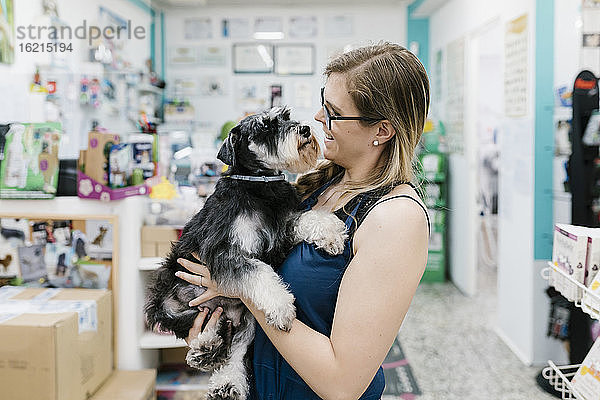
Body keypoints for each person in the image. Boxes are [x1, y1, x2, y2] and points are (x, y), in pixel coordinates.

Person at [175, 42, 431, 400]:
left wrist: (243, 291)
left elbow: (343, 385)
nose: (317, 118)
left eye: (334, 113)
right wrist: (211, 322)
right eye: (322, 102)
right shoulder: (319, 184)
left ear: (383, 131)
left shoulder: (396, 218)